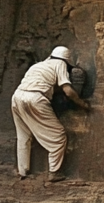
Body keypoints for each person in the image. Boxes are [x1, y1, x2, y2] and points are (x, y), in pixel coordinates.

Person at [10, 45, 91, 182]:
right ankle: (54, 172)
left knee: (23, 135)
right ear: (67, 60)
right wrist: (83, 104)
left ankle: (22, 170)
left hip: (17, 97)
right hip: (36, 98)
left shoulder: (38, 65)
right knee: (59, 136)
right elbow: (68, 91)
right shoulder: (60, 64)